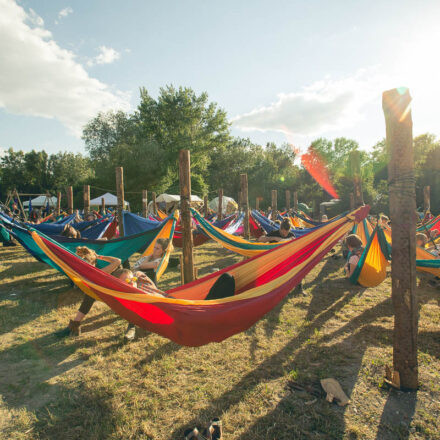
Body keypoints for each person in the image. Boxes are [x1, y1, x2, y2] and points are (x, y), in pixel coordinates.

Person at [58, 247, 121, 336]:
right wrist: (99, 257)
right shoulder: (87, 273)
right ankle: (74, 326)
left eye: (88, 265)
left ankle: (74, 326)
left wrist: (99, 257)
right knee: (90, 295)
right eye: (84, 266)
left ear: (93, 263)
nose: (86, 268)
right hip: (106, 292)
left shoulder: (99, 272)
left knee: (91, 295)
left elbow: (118, 261)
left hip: (119, 290)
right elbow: (117, 261)